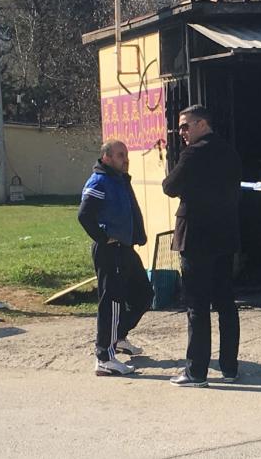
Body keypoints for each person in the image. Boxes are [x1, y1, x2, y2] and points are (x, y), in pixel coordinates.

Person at [163, 105, 242, 387]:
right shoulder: (230, 152)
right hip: (224, 235)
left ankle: (196, 371)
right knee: (226, 303)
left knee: (197, 304)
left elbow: (169, 186)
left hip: (196, 237)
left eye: (186, 126)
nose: (181, 132)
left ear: (202, 124)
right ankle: (230, 368)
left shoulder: (193, 154)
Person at [78, 139, 154, 376]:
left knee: (144, 295)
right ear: (106, 157)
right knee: (112, 302)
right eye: (120, 155)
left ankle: (119, 337)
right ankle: (104, 358)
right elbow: (84, 215)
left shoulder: (119, 179)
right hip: (110, 250)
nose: (126, 159)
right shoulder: (99, 181)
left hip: (126, 249)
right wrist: (103, 237)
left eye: (126, 154)